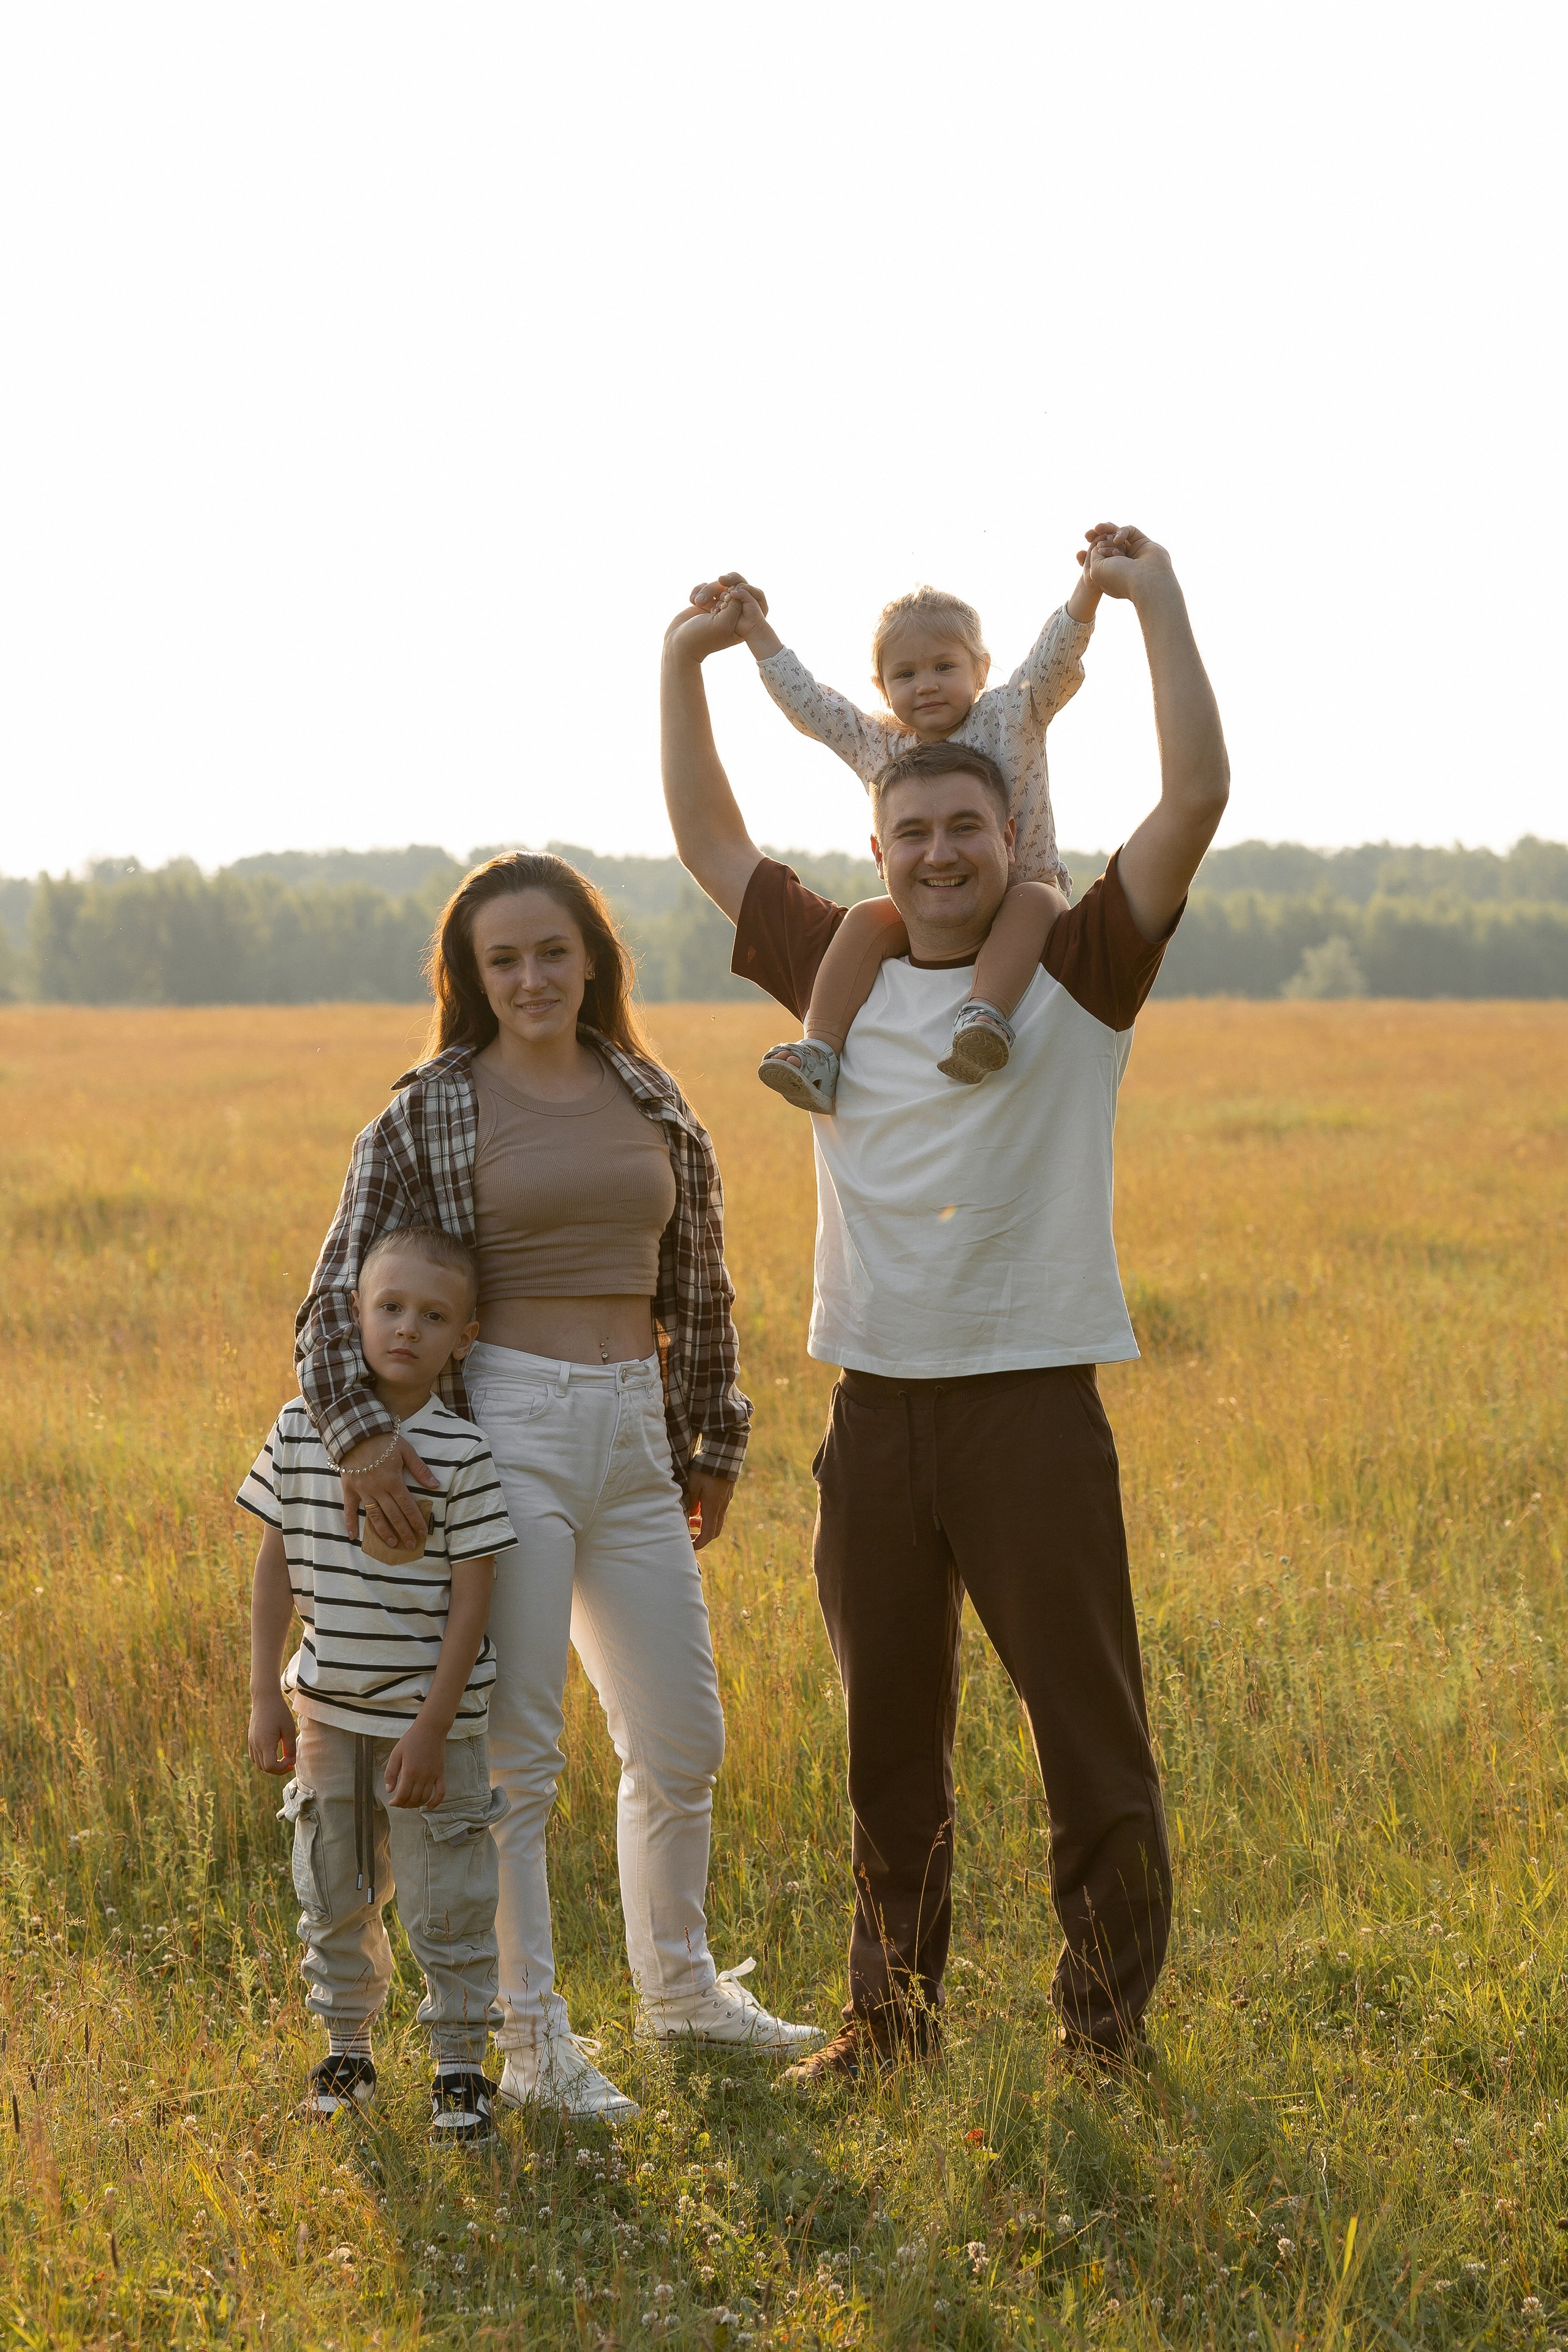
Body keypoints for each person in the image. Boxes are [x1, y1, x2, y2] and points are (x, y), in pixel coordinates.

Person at [661, 526, 1230, 2082]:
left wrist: (1154, 602)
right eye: (908, 830)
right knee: (885, 1753)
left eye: (962, 826)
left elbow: (1189, 801)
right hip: (872, 1416)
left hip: (1031, 1408)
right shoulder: (830, 980)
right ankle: (887, 2029)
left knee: (1087, 1741)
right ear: (882, 840)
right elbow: (709, 842)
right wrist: (681, 664)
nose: (934, 852)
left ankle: (1100, 2035)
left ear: (1005, 828)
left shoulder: (1080, 972)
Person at [293, 850, 818, 2122]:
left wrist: (711, 1443)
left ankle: (680, 1989)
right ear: (472, 980)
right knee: (517, 1761)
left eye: (550, 952)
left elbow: (700, 1283)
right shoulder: (428, 1110)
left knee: (682, 1738)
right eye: (501, 960)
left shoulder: (645, 1089)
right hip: (505, 1436)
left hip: (637, 1440)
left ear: (592, 958)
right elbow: (332, 1300)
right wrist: (367, 1446)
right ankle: (527, 2044)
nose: (530, 977)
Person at [243, 1225, 515, 2142]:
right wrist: (262, 1695)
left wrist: (435, 1728)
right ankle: (348, 2046)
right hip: (326, 1714)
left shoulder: (462, 1453)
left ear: (463, 1338)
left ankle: (459, 2066)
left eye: (432, 1316)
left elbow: (475, 1602)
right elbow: (274, 1566)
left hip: (430, 1725)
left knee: (449, 1894)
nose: (406, 1329)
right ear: (351, 1315)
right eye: (388, 1307)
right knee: (332, 1883)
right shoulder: (299, 1429)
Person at [685, 555, 1104, 1110]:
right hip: (928, 911)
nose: (925, 685)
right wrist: (756, 631)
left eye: (943, 667)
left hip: (1022, 896)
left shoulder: (1013, 713)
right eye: (905, 674)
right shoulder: (880, 745)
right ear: (882, 687)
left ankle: (984, 1018)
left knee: (1033, 898)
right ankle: (821, 1050)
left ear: (981, 671)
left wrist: (1090, 587)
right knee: (865, 916)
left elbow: (1055, 656)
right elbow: (813, 705)